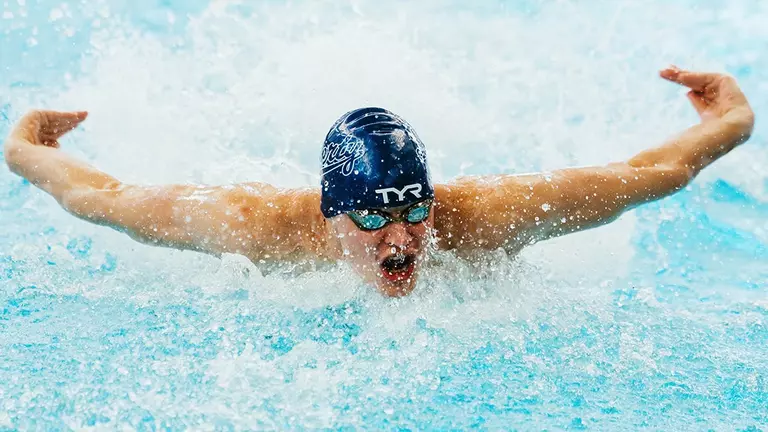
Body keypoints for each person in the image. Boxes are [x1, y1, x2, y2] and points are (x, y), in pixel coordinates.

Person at [3, 66, 755, 297]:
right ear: (331, 214)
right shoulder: (251, 226)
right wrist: (26, 149)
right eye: (371, 220)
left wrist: (731, 122)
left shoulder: (489, 216)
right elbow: (99, 198)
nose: (402, 242)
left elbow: (649, 173)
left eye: (415, 212)